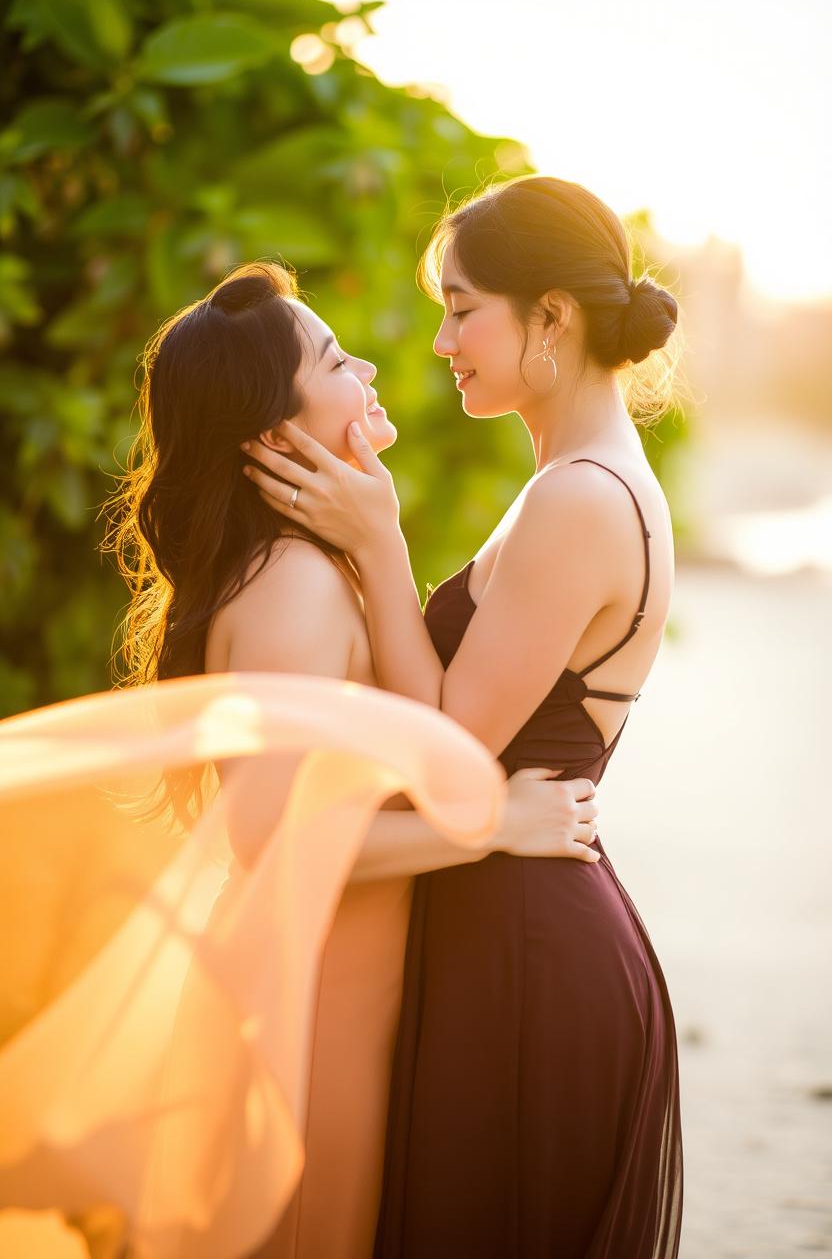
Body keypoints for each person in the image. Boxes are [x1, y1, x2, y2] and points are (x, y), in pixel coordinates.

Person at [106, 260, 603, 1258]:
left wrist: (380, 539)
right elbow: (267, 840)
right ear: (270, 433)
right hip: (307, 1018)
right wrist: (489, 824)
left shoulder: (315, 563)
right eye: (336, 358)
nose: (371, 363)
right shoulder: (291, 584)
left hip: (345, 1000)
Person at [241, 175, 684, 1258]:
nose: (441, 339)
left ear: (552, 320)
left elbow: (446, 747)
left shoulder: (581, 496)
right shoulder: (567, 484)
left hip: (531, 955)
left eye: (460, 305)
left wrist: (380, 545)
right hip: (505, 924)